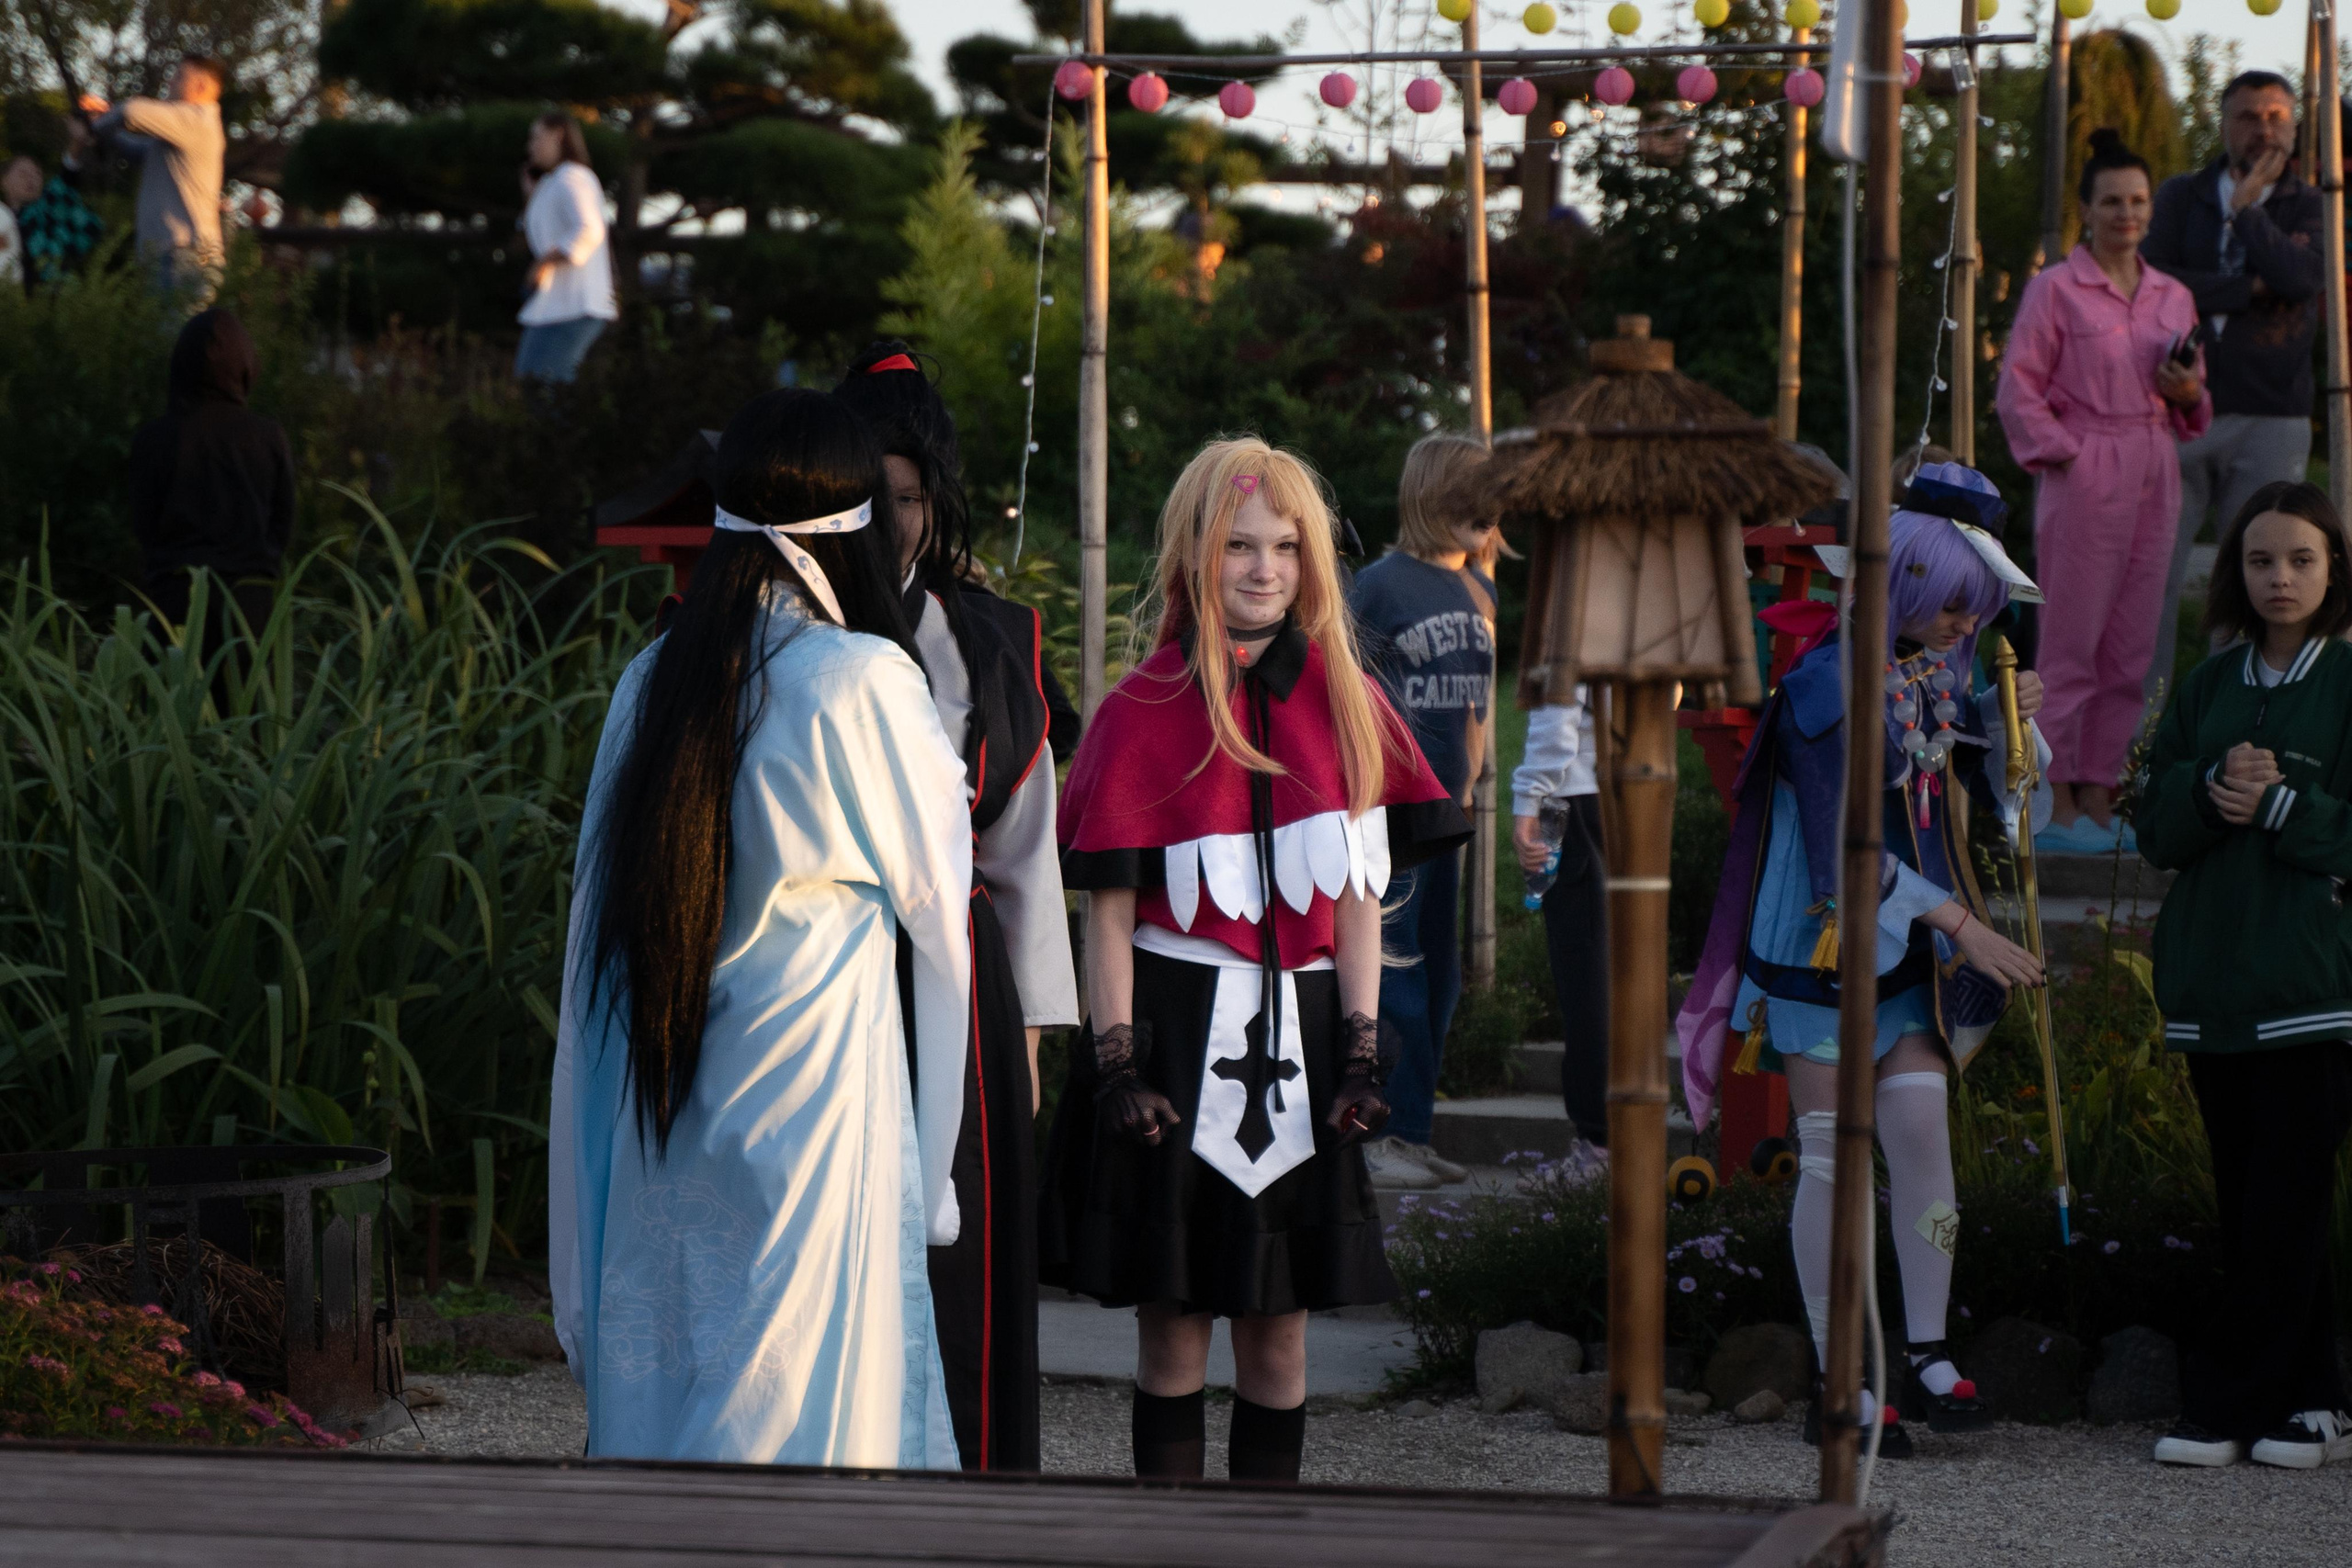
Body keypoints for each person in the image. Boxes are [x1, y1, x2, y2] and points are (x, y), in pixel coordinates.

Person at [548, 389, 974, 1466]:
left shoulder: (654, 679)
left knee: (680, 1373)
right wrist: (938, 1177)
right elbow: (945, 938)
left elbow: (590, 943)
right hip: (816, 1107)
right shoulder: (868, 681)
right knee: (809, 1412)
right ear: (860, 521)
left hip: (667, 1095)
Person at [1041, 437, 1468, 1483]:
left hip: (1310, 1036)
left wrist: (1363, 1054)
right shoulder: (1139, 712)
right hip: (1173, 1034)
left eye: (1284, 546)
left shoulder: (1351, 706)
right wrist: (1115, 1063)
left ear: (1312, 562)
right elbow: (1106, 916)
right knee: (1174, 1326)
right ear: (1196, 554)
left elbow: (1361, 903)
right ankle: (1168, 1553)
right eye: (1239, 545)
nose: (1263, 567)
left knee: (1281, 1334)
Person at [1676, 463, 2050, 1458]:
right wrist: (1965, 930)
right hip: (1823, 929)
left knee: (1919, 1126)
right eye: (1950, 605)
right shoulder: (1821, 681)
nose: (1961, 626)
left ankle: (1924, 1351)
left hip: (1906, 945)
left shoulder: (1936, 670)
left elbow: (1984, 795)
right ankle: (1840, 1367)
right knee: (1835, 1153)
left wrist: (2019, 740)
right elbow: (1846, 838)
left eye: (1974, 611)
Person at [833, 341, 1080, 1472]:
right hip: (819, 963)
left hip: (964, 974)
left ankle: (974, 1485)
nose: (892, 523)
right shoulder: (784, 623)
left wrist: (1028, 1035)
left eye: (910, 497)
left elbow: (1025, 850)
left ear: (938, 498)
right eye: (867, 497)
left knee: (963, 1235)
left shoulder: (992, 636)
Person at [2137, 479, 2352, 1472]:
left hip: (2312, 988)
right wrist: (2210, 787)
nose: (2279, 578)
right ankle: (2314, 1401)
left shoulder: (2347, 683)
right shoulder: (2207, 683)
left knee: (2289, 1201)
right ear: (2235, 571)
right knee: (2248, 1200)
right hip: (2211, 991)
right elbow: (2153, 828)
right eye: (2260, 560)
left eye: (2301, 559)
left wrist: (2277, 804)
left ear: (2333, 570)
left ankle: (2231, 1404)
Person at [1996, 128, 2210, 850]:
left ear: (2151, 208)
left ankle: (2102, 791)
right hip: (2087, 464)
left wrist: (2187, 391)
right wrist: (2069, 454)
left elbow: (2191, 400)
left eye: (2138, 200)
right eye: (2112, 201)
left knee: (2132, 643)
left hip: (2155, 461)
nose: (2127, 212)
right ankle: (2049, 792)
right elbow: (2017, 388)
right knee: (2069, 639)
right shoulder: (2054, 289)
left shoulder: (2173, 296)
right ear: (2086, 209)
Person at [1345, 433, 1498, 1190]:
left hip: (1453, 812)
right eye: (1476, 496)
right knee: (1393, 977)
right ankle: (1375, 1138)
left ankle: (1411, 1127)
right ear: (1435, 497)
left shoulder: (1482, 588)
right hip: (1389, 813)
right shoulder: (1378, 586)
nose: (1491, 513)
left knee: (1440, 980)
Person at [2142, 71, 2324, 699]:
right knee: (2153, 580)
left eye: (2277, 115)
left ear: (2295, 126)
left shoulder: (2309, 202)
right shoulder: (2180, 195)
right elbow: (2154, 280)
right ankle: (2143, 744)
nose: (2264, 128)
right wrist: (2250, 289)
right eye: (2249, 115)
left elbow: (2301, 278)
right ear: (2223, 124)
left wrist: (2248, 211)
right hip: (2175, 408)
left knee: (2261, 583)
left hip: (2272, 412)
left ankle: (2240, 725)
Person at [129, 308, 295, 691]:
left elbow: (144, 527)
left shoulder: (153, 440)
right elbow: (283, 525)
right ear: (246, 365)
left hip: (173, 612)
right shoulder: (267, 437)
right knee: (247, 736)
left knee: (172, 733)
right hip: (248, 614)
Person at [1511, 687, 1608, 1180]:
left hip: (1578, 797)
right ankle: (1610, 1141)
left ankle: (1599, 1146)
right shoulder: (1641, 608)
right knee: (1609, 971)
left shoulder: (1572, 610)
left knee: (1586, 977)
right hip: (1634, 790)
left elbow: (1557, 715)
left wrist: (1528, 799)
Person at [79, 56, 226, 301]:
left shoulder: (197, 119)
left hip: (182, 257)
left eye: (179, 76)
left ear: (201, 86)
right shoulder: (180, 134)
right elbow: (135, 149)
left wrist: (100, 122)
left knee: (170, 338)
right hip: (173, 257)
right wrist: (100, 123)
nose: (170, 81)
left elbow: (131, 111)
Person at [514, 112, 616, 385]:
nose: (531, 146)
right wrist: (533, 198)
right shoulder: (554, 181)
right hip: (555, 304)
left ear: (558, 135)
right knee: (534, 382)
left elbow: (590, 229)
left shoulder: (574, 176)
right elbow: (544, 228)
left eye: (536, 137)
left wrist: (544, 262)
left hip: (573, 305)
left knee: (546, 388)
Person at [14, 126, 107, 287]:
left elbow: (66, 178)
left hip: (57, 297)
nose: (31, 179)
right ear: (3, 180)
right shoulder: (4, 217)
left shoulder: (48, 208)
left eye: (36, 174)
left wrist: (77, 143)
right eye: (23, 174)